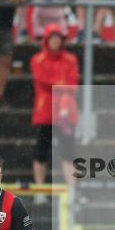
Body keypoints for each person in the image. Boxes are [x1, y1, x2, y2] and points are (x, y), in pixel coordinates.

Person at [30, 24, 79, 193]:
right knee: (41, 150)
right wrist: (61, 84)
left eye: (58, 38)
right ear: (46, 40)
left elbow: (72, 84)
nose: (56, 42)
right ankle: (40, 191)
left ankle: (72, 190)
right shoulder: (38, 60)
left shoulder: (70, 59)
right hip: (46, 111)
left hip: (66, 110)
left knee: (68, 150)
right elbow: (43, 81)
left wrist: (59, 85)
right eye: (52, 38)